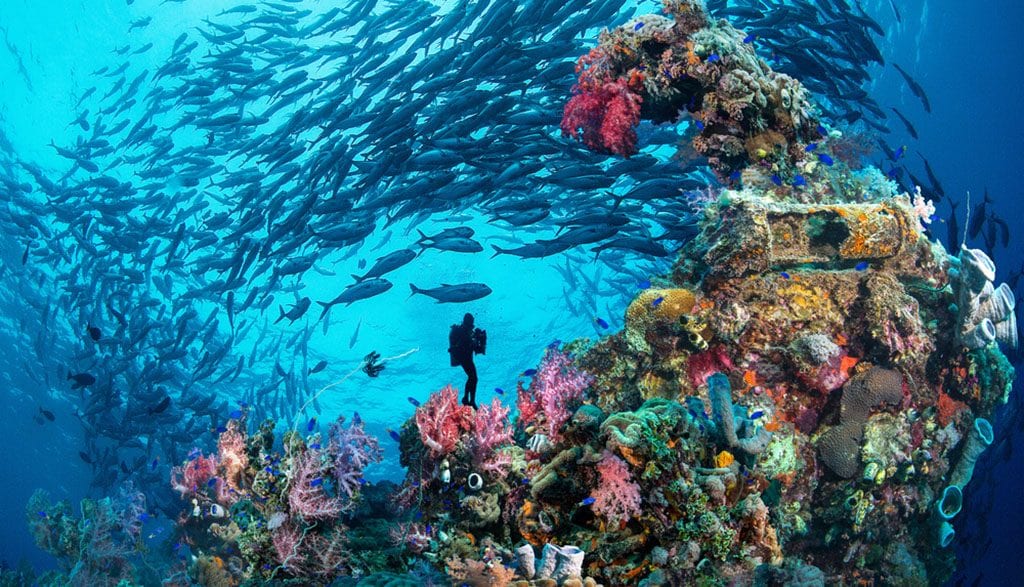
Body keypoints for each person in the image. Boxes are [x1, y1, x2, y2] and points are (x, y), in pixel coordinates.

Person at [448, 313, 486, 408]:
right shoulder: (461, 331)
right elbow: (467, 344)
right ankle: (469, 400)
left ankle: (469, 399)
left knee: (472, 377)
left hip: (466, 357)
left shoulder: (469, 332)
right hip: (462, 357)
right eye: (471, 322)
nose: (472, 324)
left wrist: (482, 340)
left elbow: (479, 350)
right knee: (473, 377)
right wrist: (476, 339)